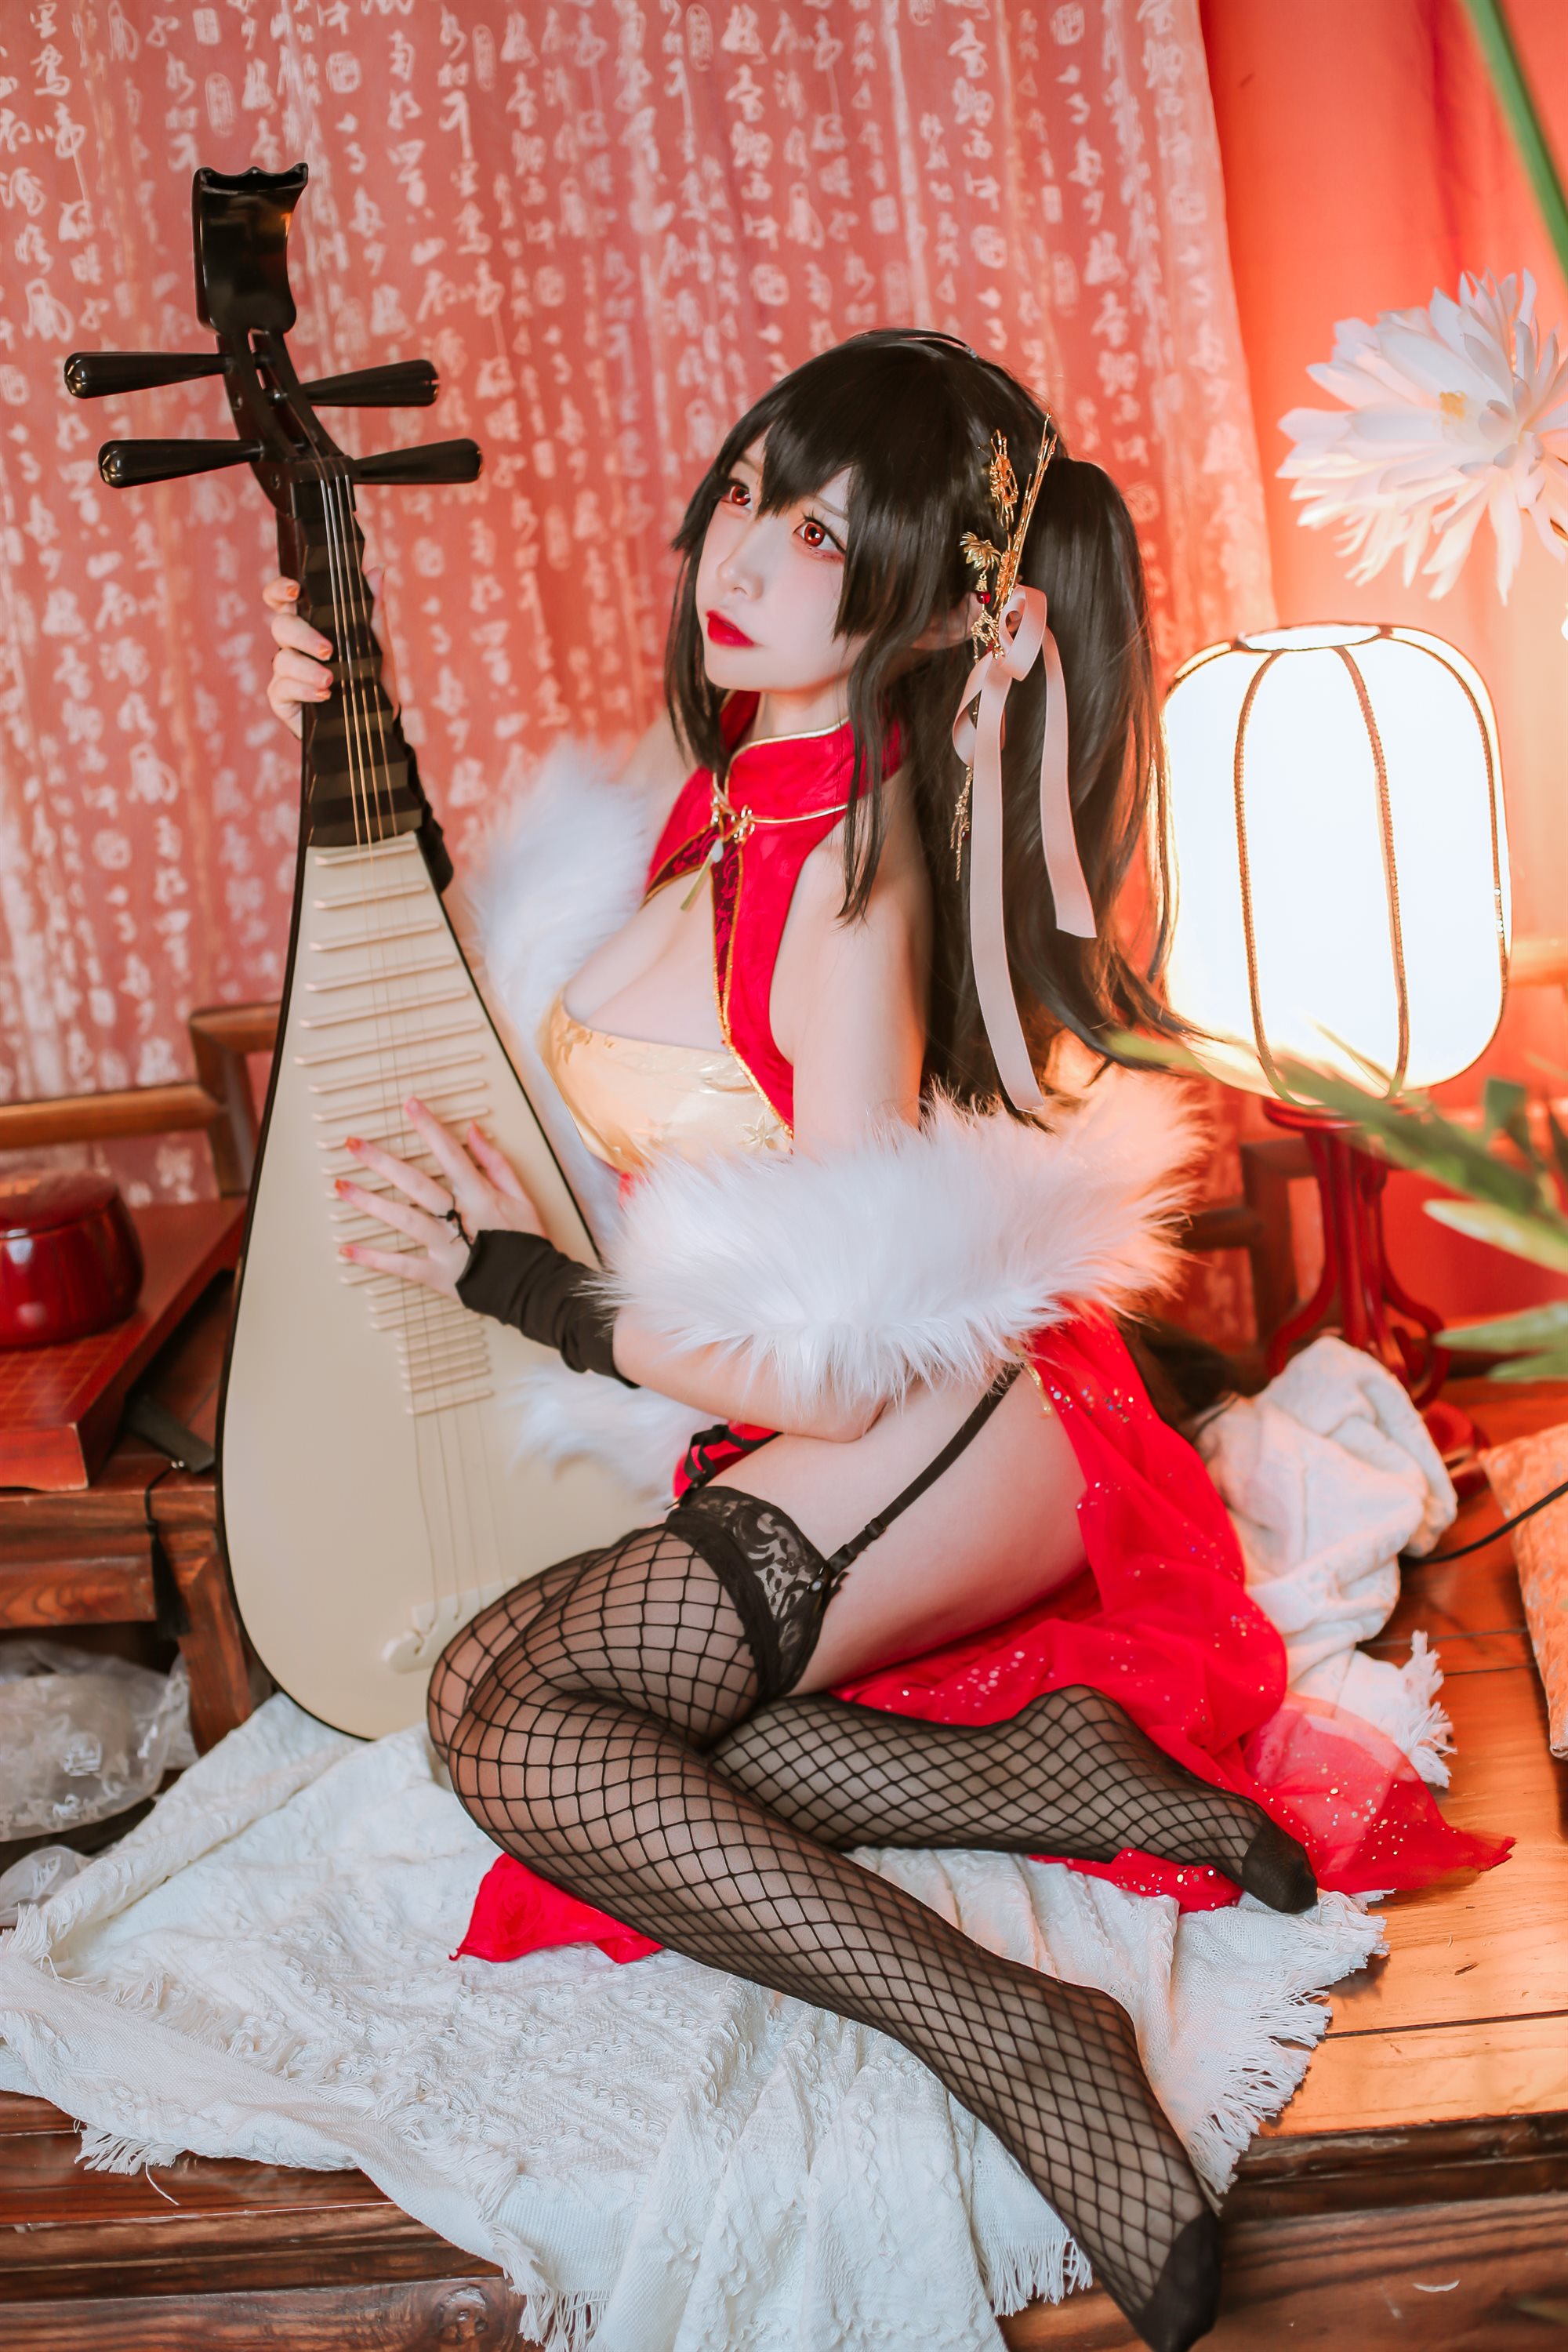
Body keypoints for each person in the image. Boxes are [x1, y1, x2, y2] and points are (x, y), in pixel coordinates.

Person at [262, 332, 1501, 2352]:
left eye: (828, 536)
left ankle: (1015, 2033)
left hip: (954, 1427)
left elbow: (839, 1356)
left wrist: (528, 1286)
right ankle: (1041, 1770)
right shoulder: (722, 795)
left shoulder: (846, 894)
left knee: (511, 1717)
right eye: (752, 491)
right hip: (809, 1431)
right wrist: (346, 731)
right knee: (543, 1715)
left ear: (925, 607)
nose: (745, 554)